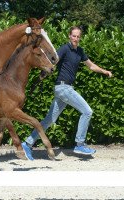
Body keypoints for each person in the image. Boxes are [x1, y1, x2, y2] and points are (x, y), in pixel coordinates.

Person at [21, 26, 112, 160]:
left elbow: (91, 66)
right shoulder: (64, 48)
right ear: (69, 36)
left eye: (78, 36)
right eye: (73, 36)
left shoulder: (80, 51)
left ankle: (27, 143)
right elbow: (53, 62)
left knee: (49, 119)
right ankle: (80, 143)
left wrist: (104, 71)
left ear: (80, 38)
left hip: (64, 89)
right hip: (63, 88)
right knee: (87, 112)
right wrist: (41, 76)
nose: (75, 38)